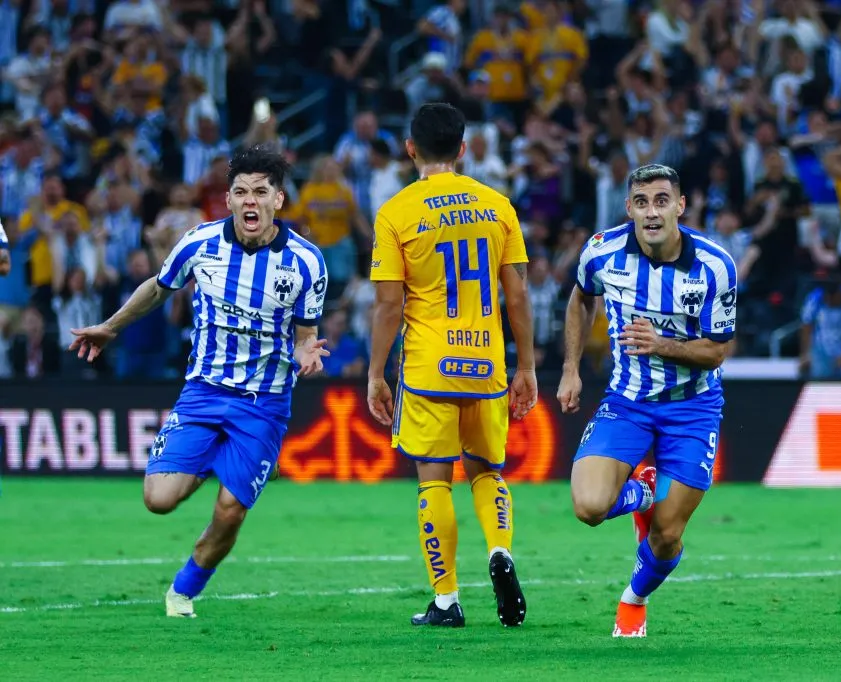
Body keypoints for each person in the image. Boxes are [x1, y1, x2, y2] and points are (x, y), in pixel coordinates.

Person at [68, 145, 329, 618]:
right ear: (227, 200)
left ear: (279, 201)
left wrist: (306, 352)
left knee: (230, 509)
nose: (251, 201)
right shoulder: (198, 242)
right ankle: (214, 459)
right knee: (158, 500)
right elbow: (157, 287)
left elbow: (305, 335)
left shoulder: (306, 262)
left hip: (263, 403)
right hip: (203, 393)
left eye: (261, 192)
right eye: (241, 192)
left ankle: (183, 591)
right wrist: (111, 325)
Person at [366, 103, 537, 629]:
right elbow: (518, 294)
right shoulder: (497, 206)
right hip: (486, 362)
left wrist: (376, 374)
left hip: (428, 367)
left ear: (410, 148)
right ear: (463, 149)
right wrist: (526, 365)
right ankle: (500, 551)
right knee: (487, 471)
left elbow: (389, 305)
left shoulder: (397, 212)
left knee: (434, 482)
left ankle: (446, 600)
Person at [557, 164, 737, 638]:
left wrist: (664, 345)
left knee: (666, 535)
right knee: (589, 506)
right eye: (641, 201)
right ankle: (640, 492)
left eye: (661, 200)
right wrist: (571, 369)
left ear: (681, 205)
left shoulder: (716, 266)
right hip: (628, 401)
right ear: (629, 208)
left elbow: (718, 350)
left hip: (693, 408)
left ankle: (634, 597)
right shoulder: (602, 251)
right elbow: (580, 299)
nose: (651, 211)